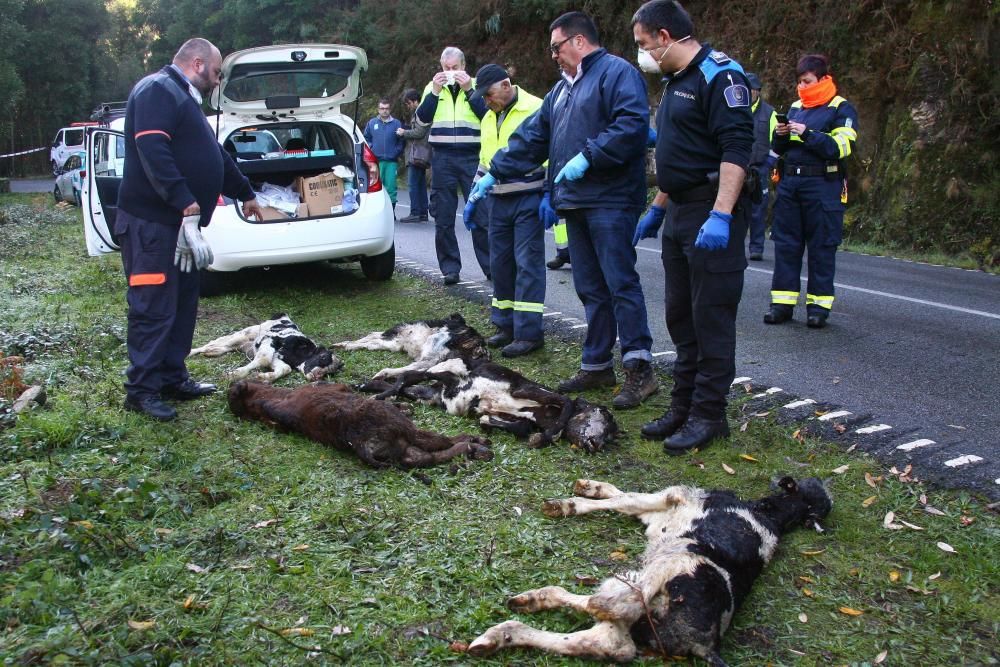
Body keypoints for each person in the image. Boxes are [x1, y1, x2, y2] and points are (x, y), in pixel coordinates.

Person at [473, 11, 658, 409]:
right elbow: (532, 139)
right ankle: (597, 363)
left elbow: (632, 125)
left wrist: (589, 156)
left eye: (556, 47)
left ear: (578, 41)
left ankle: (640, 369)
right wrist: (495, 172)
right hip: (575, 201)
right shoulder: (561, 92)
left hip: (610, 198)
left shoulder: (616, 74)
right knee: (590, 286)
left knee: (620, 283)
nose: (553, 55)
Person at [116, 37, 262, 421]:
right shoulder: (156, 90)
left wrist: (244, 192)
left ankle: (171, 378)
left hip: (181, 228)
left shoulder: (186, 102)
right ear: (197, 64)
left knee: (182, 304)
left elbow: (214, 156)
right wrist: (185, 199)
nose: (217, 82)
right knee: (152, 308)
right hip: (152, 226)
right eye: (216, 73)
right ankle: (142, 390)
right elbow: (152, 150)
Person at [631, 0, 754, 453]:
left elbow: (736, 149)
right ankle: (682, 405)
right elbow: (679, 156)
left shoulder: (720, 75)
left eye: (644, 44)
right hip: (680, 209)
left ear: (665, 37)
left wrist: (721, 214)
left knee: (711, 318)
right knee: (681, 316)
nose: (642, 53)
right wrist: (659, 206)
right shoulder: (675, 80)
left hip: (711, 210)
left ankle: (709, 414)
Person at [764, 54, 858, 329]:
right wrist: (781, 134)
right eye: (799, 82)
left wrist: (807, 134)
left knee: (822, 246)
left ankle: (818, 307)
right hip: (791, 184)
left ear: (822, 78)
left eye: (807, 81)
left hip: (823, 185)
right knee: (786, 245)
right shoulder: (794, 108)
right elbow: (778, 148)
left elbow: (840, 148)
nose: (802, 87)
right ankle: (781, 304)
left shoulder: (841, 109)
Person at [464, 64, 547, 358]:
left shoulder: (537, 108)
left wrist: (548, 193)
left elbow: (550, 155)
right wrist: (474, 198)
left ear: (506, 85)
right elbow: (486, 163)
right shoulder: (489, 117)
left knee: (527, 264)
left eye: (488, 95)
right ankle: (505, 325)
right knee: (500, 264)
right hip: (497, 201)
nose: (486, 102)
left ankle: (529, 333)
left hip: (527, 198)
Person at [416, 47, 490, 285]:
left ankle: (491, 267)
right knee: (443, 216)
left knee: (481, 214)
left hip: (473, 156)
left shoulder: (478, 85)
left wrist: (469, 89)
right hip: (443, 157)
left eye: (454, 68)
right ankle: (450, 269)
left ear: (463, 66)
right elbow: (422, 119)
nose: (450, 72)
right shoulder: (432, 87)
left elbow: (488, 115)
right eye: (446, 68)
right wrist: (435, 92)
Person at [745, 72, 778, 261]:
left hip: (759, 169)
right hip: (738, 168)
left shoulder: (770, 113)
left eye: (752, 90)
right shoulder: (734, 110)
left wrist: (768, 164)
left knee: (758, 210)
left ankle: (756, 248)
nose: (749, 94)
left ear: (758, 92)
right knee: (734, 208)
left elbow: (778, 142)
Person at [363, 98, 404, 215]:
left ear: (390, 109)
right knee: (376, 188)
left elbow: (401, 141)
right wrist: (372, 148)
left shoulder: (396, 123)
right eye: (382, 108)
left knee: (391, 188)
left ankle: (391, 214)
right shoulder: (372, 123)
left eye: (386, 108)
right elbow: (366, 138)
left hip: (391, 161)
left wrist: (396, 151)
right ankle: (378, 213)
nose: (384, 111)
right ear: (378, 109)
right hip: (376, 162)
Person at [396, 89, 431, 223]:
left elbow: (419, 132)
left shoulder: (420, 112)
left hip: (417, 153)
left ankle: (415, 212)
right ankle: (423, 212)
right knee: (420, 183)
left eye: (409, 103)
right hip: (421, 152)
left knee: (412, 184)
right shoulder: (424, 111)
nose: (408, 106)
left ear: (415, 101)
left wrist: (404, 132)